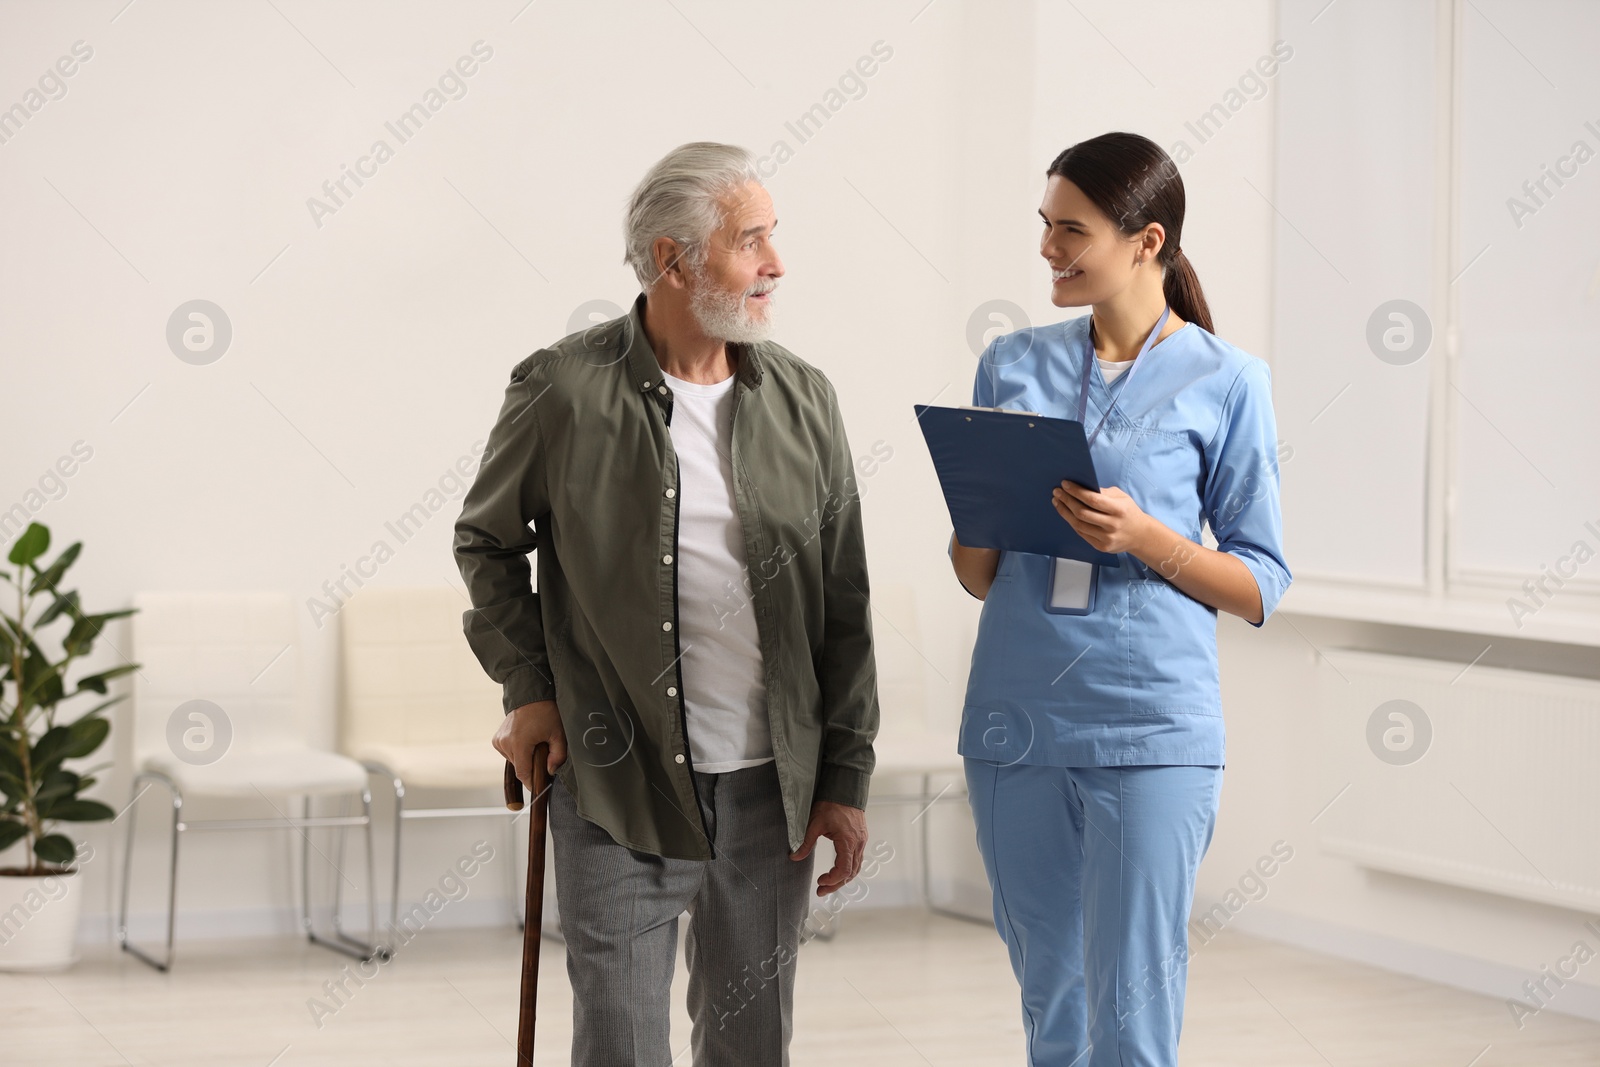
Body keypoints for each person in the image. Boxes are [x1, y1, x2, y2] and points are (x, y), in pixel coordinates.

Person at [453, 141, 879, 1067]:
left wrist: (844, 778)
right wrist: (528, 688)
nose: (776, 263)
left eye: (774, 237)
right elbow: (486, 542)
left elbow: (843, 602)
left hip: (773, 789)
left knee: (750, 1045)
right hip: (616, 779)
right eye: (750, 239)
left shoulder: (806, 399)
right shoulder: (563, 388)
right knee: (619, 1045)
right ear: (671, 259)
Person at [948, 131, 1292, 1066]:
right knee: (1049, 999)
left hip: (1151, 731)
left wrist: (1149, 540)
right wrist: (981, 498)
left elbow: (1261, 582)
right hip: (1016, 722)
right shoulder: (1010, 363)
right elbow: (979, 574)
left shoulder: (1228, 380)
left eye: (1072, 230)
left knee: (1133, 1013)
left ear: (1146, 241)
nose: (1050, 250)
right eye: (1045, 227)